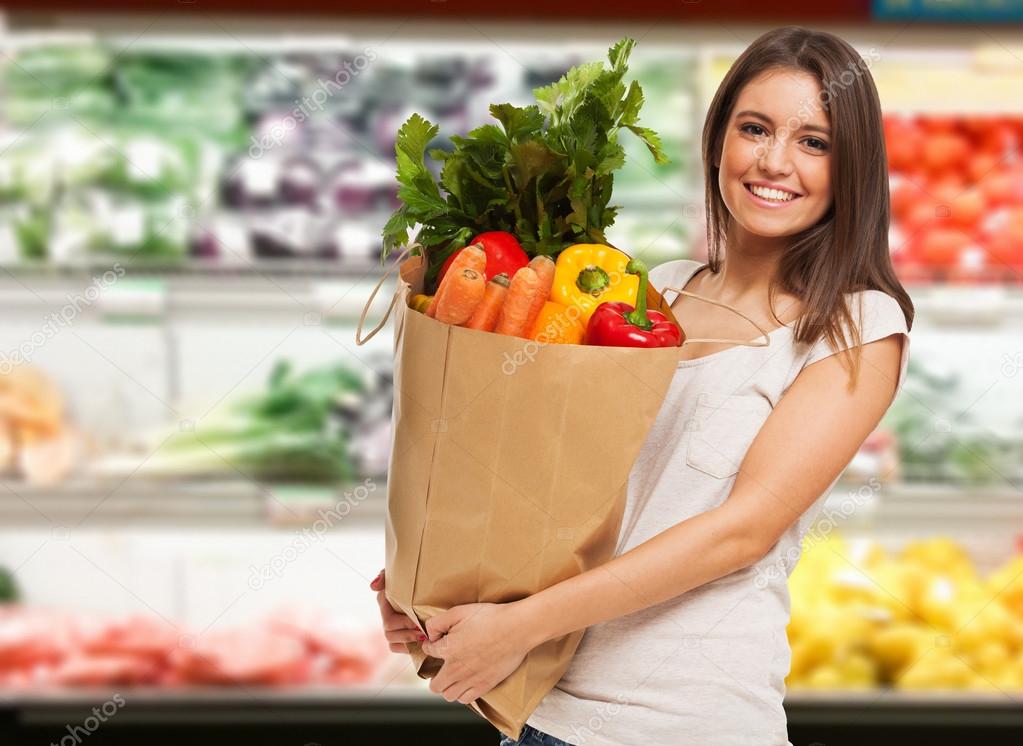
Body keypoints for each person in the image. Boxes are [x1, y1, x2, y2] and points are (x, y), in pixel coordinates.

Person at [371, 26, 913, 746]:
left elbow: (741, 533)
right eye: (753, 129)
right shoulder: (653, 291)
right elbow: (549, 482)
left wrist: (517, 626)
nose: (774, 161)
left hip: (687, 723)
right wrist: (433, 582)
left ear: (851, 167)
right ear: (718, 139)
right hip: (538, 708)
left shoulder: (854, 326)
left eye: (813, 142)